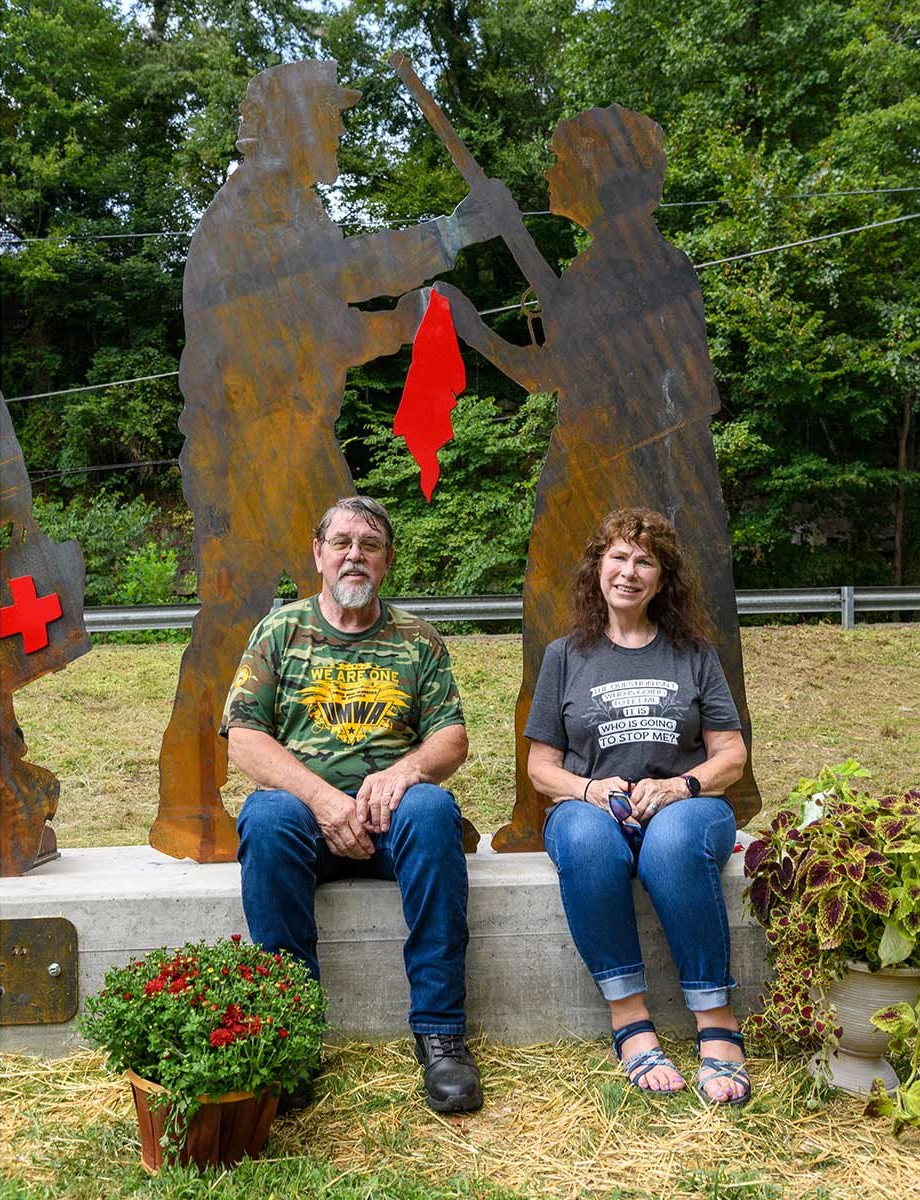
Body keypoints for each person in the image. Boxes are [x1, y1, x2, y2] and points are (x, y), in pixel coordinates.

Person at [156, 59, 502, 863]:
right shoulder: (246, 219)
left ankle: (375, 790)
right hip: (244, 448)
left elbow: (342, 276)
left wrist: (447, 238)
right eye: (331, 118)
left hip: (297, 440)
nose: (340, 133)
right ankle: (186, 802)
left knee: (356, 603)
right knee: (233, 619)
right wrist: (414, 303)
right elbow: (326, 326)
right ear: (292, 125)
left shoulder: (295, 211)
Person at [433, 104, 757, 852]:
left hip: (621, 481)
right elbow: (559, 370)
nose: (549, 171)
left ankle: (652, 796)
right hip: (595, 473)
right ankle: (541, 807)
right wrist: (474, 326)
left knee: (565, 632)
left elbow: (650, 385)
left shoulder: (643, 265)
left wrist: (480, 325)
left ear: (598, 174)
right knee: (552, 641)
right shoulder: (608, 264)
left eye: (559, 158)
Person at [224, 495, 480, 1113]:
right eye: (341, 543)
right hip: (306, 824)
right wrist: (322, 801)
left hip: (394, 823)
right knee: (265, 814)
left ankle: (441, 1034)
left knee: (434, 810)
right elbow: (244, 735)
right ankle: (292, 1037)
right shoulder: (280, 632)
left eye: (369, 545)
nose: (354, 556)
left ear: (387, 560)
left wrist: (407, 772)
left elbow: (452, 736)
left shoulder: (417, 638)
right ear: (318, 555)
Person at [525, 508, 751, 1105]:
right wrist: (589, 790)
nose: (629, 571)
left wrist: (682, 787)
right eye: (618, 557)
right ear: (598, 568)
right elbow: (540, 768)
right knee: (584, 841)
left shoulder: (693, 653)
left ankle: (715, 1022)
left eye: (644, 560)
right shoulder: (564, 656)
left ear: (662, 577)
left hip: (685, 806)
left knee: (673, 845)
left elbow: (730, 755)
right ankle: (631, 1021)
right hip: (592, 804)